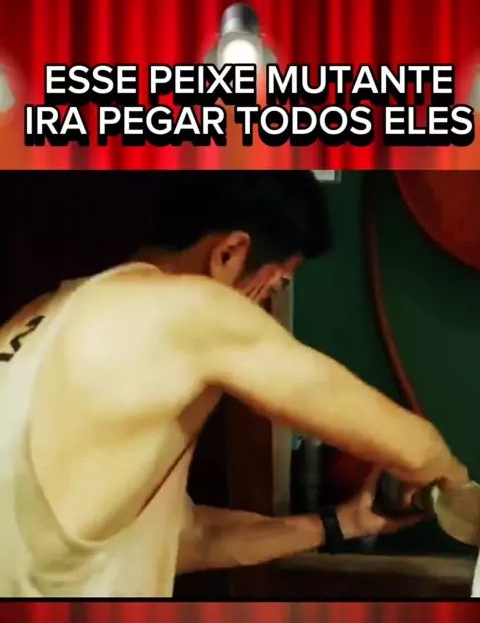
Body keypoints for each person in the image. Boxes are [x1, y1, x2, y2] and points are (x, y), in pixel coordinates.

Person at [0, 171, 468, 597]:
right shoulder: (189, 309)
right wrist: (457, 488)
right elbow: (413, 448)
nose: (261, 307)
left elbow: (190, 541)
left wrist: (341, 523)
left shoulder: (49, 315)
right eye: (275, 285)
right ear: (229, 253)